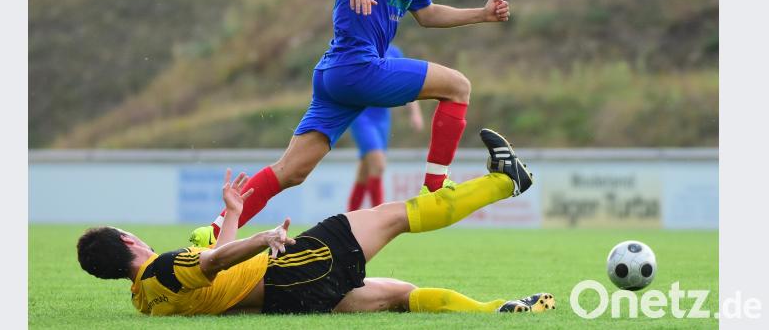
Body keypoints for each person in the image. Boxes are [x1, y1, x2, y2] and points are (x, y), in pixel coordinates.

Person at [195, 0, 518, 242]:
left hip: (335, 77)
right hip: (358, 68)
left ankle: (213, 231)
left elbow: (427, 15)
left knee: (291, 171)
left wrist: (482, 14)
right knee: (458, 86)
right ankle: (435, 186)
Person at [77, 129, 552, 316]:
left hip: (286, 298)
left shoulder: (145, 299)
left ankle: (496, 312)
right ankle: (505, 181)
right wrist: (262, 238)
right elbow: (215, 261)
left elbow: (215, 277)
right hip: (291, 267)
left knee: (399, 294)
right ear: (128, 239)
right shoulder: (163, 266)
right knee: (393, 216)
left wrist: (234, 215)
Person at [346, 44, 424, 211]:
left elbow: (408, 82)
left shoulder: (394, 51)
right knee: (378, 165)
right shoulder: (359, 45)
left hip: (382, 117)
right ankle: (379, 217)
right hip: (361, 115)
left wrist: (415, 113)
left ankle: (348, 218)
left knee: (365, 171)